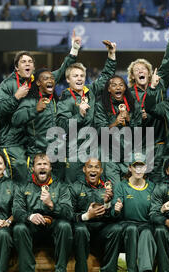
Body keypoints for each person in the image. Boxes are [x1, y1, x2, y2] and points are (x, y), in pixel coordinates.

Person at [0, 31, 81, 184]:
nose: (27, 64)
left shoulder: (37, 81)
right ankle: (17, 204)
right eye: (23, 62)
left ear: (34, 67)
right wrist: (16, 97)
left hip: (28, 139)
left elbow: (59, 73)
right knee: (20, 172)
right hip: (12, 139)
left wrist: (74, 50)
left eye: (30, 62)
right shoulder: (8, 85)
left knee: (35, 175)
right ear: (16, 67)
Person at [126, 17, 169, 183]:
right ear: (133, 76)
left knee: (161, 182)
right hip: (139, 146)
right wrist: (137, 118)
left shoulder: (159, 84)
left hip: (161, 144)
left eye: (144, 69)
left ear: (149, 74)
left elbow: (168, 62)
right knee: (139, 182)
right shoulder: (128, 94)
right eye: (136, 70)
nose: (140, 71)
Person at [56, 40, 117, 184]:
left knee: (94, 187)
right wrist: (80, 114)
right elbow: (61, 125)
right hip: (74, 152)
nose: (79, 78)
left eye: (81, 76)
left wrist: (111, 54)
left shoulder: (91, 91)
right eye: (75, 76)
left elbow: (106, 77)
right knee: (73, 188)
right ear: (68, 79)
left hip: (93, 150)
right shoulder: (65, 99)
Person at [12, 153, 73, 272]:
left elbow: (69, 213)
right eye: (39, 164)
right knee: (18, 228)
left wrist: (52, 205)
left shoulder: (61, 186)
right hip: (32, 228)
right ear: (33, 168)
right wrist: (30, 216)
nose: (42, 167)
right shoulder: (23, 186)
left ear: (50, 168)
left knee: (65, 225)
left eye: (45, 164)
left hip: (53, 228)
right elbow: (16, 211)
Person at [69, 157, 122, 272]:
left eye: (96, 167)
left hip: (101, 229)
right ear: (84, 169)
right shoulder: (75, 187)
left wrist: (108, 204)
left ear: (101, 170)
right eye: (90, 166)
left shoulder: (108, 188)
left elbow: (112, 217)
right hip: (83, 228)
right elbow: (68, 215)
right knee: (80, 229)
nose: (93, 170)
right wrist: (87, 216)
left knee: (116, 229)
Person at [111, 153, 156, 272]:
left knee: (147, 232)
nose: (138, 170)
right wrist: (117, 209)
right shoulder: (121, 186)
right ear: (130, 168)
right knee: (131, 229)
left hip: (146, 225)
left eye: (141, 166)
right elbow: (114, 213)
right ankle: (131, 271)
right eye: (135, 166)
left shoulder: (152, 186)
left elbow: (155, 210)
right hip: (127, 224)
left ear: (146, 168)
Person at [94, 75, 141, 186]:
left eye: (121, 85)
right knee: (115, 188)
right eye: (114, 85)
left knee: (129, 188)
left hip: (128, 154)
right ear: (109, 89)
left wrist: (129, 120)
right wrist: (115, 123)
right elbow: (99, 131)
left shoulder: (133, 105)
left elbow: (139, 132)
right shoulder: (101, 105)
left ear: (125, 88)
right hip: (110, 155)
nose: (118, 88)